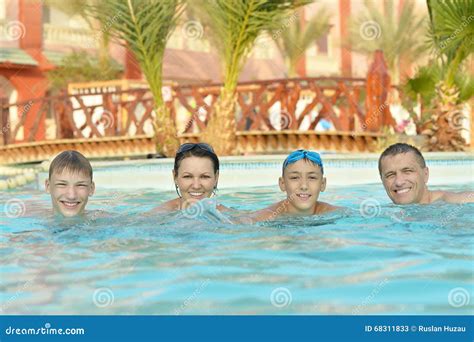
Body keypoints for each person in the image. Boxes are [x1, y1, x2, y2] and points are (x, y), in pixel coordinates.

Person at [250, 150, 339, 221]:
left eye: (312, 177)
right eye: (295, 178)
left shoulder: (336, 213)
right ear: (282, 184)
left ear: (322, 184)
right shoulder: (269, 216)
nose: (304, 186)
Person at [379, 143, 474, 204]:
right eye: (390, 175)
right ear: (382, 180)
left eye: (407, 171)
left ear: (425, 174)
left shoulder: (452, 202)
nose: (399, 182)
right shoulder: (382, 215)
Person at [152, 143, 228, 213]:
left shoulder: (231, 218)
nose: (196, 186)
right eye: (187, 176)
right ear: (175, 176)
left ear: (216, 177)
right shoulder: (157, 216)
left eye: (205, 177)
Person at [45, 150, 95, 217]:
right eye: (62, 184)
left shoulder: (105, 222)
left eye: (80, 185)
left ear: (91, 189)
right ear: (48, 186)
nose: (71, 196)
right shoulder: (32, 220)